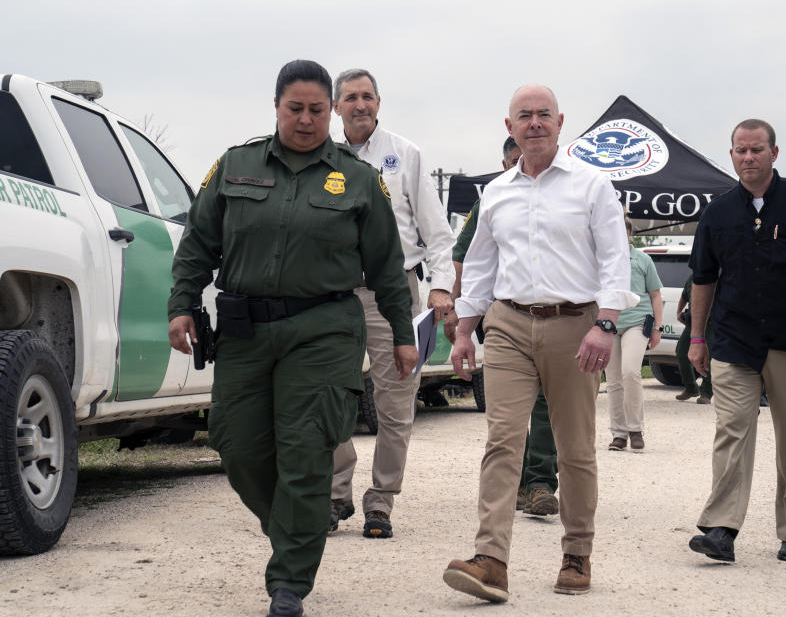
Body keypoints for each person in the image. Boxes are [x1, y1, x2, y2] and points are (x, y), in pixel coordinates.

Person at [167, 60, 416, 617]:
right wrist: (181, 304)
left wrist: (402, 335)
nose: (306, 120)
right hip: (245, 329)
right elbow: (198, 243)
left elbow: (386, 265)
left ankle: (289, 582)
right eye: (294, 108)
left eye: (317, 110)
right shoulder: (235, 165)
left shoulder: (357, 178)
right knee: (236, 445)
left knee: (306, 452)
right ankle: (294, 530)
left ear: (330, 111)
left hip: (323, 329)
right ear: (276, 107)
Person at [441, 84, 637, 602]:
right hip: (507, 325)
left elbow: (615, 258)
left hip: (577, 325)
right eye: (524, 116)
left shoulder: (592, 185)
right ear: (509, 128)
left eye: (543, 115)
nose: (534, 123)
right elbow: (481, 265)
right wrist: (465, 330)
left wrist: (607, 323)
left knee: (574, 447)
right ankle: (491, 560)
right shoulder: (496, 193)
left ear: (560, 122)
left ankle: (576, 553)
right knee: (503, 439)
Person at [686, 118, 786, 566]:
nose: (748, 157)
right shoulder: (718, 212)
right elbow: (703, 278)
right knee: (731, 430)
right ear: (731, 154)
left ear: (775, 153)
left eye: (757, 150)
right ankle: (721, 529)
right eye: (740, 150)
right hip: (734, 340)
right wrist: (698, 337)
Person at [329, 68, 456, 539]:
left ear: (378, 102)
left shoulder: (405, 155)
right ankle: (335, 494)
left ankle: (380, 501)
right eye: (350, 98)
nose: (360, 105)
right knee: (330, 394)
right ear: (336, 106)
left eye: (367, 96)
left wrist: (442, 285)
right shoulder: (323, 156)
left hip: (394, 291)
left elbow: (436, 230)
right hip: (335, 293)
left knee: (396, 400)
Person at [445, 136, 560, 516]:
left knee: (547, 403)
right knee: (510, 408)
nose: (519, 165)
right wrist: (458, 317)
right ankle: (519, 481)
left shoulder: (564, 193)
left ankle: (541, 482)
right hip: (500, 317)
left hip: (555, 317)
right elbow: (463, 260)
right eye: (513, 160)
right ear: (504, 161)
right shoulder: (492, 197)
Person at [606, 216, 663, 451]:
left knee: (630, 372)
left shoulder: (642, 259)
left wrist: (657, 328)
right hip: (609, 325)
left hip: (637, 322)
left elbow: (656, 295)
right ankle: (619, 434)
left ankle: (635, 429)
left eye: (624, 231)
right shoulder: (604, 260)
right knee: (613, 381)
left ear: (630, 234)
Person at [675, 274, 712, 404]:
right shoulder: (692, 278)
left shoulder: (716, 276)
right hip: (693, 322)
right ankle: (691, 387)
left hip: (711, 323)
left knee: (708, 357)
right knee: (681, 353)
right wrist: (679, 312)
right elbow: (684, 296)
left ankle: (707, 392)